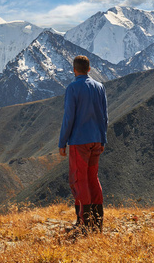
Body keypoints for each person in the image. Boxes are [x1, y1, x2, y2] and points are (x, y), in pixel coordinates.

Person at [58, 55, 108, 233]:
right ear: (89, 69)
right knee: (93, 177)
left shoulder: (72, 88)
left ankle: (85, 222)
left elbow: (69, 117)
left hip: (79, 141)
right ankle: (98, 221)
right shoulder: (99, 87)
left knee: (80, 180)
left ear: (74, 70)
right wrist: (103, 139)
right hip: (96, 140)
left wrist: (62, 142)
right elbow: (104, 115)